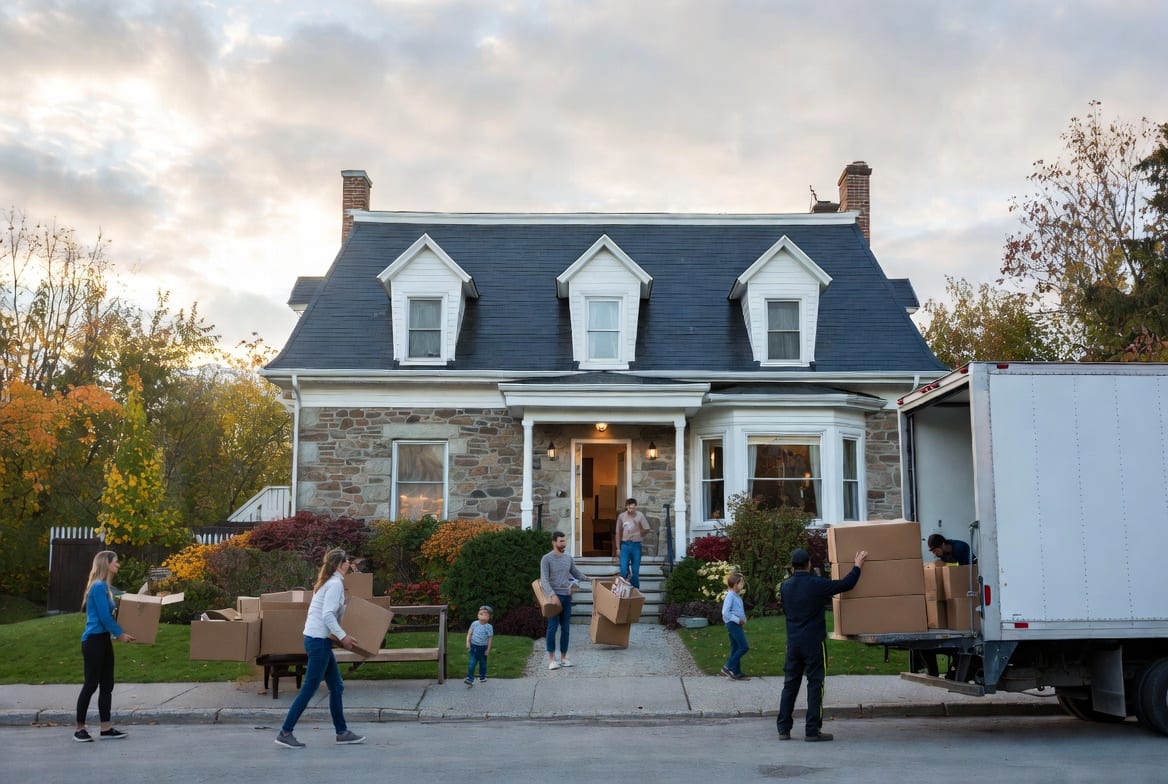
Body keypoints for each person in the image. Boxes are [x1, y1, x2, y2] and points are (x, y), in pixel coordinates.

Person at [275, 548, 366, 749]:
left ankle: (342, 732)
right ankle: (285, 731)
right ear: (339, 564)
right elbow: (327, 615)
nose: (350, 564)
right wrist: (344, 637)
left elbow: (330, 613)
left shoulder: (331, 583)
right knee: (309, 689)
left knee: (336, 686)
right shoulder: (334, 584)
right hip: (318, 641)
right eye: (347, 561)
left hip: (318, 640)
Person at [776, 547, 868, 742]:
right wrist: (857, 566)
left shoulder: (785, 587)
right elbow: (846, 584)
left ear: (792, 567)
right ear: (809, 565)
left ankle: (783, 729)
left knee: (790, 685)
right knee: (815, 684)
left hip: (793, 642)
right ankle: (812, 730)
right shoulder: (815, 584)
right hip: (813, 643)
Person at [75, 550, 134, 742]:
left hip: (103, 640)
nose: (118, 564)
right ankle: (80, 729)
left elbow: (114, 610)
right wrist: (120, 634)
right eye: (116, 561)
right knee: (91, 684)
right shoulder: (98, 586)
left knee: (107, 685)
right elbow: (103, 616)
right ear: (106, 563)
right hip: (93, 641)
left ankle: (106, 728)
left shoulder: (105, 587)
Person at [541, 530, 586, 670]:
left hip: (567, 597)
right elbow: (544, 580)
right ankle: (552, 659)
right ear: (554, 542)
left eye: (564, 541)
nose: (563, 543)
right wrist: (553, 595)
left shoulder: (568, 558)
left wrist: (588, 578)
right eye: (561, 541)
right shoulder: (546, 559)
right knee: (552, 628)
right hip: (553, 598)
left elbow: (575, 572)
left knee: (566, 629)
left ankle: (564, 658)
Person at [613, 498, 651, 588]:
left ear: (636, 507)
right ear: (626, 507)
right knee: (623, 571)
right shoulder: (622, 516)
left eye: (633, 508)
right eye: (630, 508)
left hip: (636, 545)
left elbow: (647, 528)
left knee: (635, 571)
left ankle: (635, 592)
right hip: (625, 545)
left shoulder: (639, 515)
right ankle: (622, 590)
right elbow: (618, 532)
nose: (632, 510)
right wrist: (618, 548)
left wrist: (641, 533)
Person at [720, 572, 749, 680]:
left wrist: (743, 620)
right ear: (735, 584)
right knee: (744, 647)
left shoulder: (736, 596)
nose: (743, 585)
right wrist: (737, 620)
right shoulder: (730, 596)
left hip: (736, 624)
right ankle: (728, 666)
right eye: (741, 583)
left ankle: (736, 672)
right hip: (733, 624)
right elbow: (725, 612)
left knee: (735, 647)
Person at [464, 605, 494, 686]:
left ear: (489, 617)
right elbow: (469, 633)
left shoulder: (489, 627)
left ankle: (482, 676)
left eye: (484, 614)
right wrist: (468, 642)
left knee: (483, 663)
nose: (482, 615)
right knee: (472, 663)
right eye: (480, 613)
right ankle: (470, 678)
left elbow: (490, 638)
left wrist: (488, 649)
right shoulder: (474, 624)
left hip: (483, 648)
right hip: (474, 647)